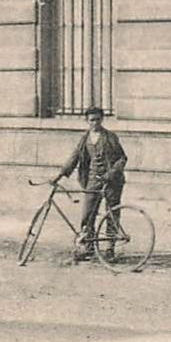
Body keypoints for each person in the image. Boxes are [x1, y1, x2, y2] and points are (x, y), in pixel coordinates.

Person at [54, 106, 127, 261]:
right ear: (87, 121)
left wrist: (110, 174)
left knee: (111, 213)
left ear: (102, 120)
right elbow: (74, 158)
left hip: (111, 181)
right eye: (92, 120)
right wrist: (60, 175)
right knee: (88, 213)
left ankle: (110, 249)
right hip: (93, 179)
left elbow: (122, 158)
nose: (95, 123)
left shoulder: (110, 137)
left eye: (98, 119)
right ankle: (88, 247)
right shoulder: (85, 139)